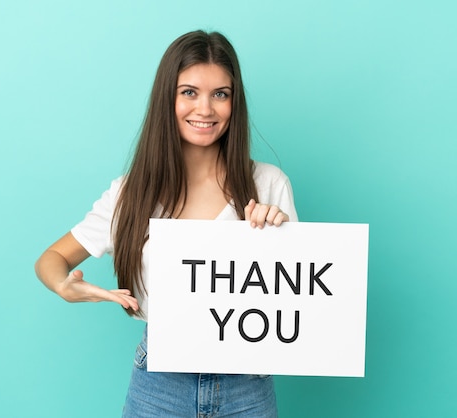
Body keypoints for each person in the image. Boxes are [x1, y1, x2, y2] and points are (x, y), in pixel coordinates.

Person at [34, 29, 298, 417]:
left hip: (248, 386)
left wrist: (279, 234)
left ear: (234, 102)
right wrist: (63, 285)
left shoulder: (269, 183)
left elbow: (295, 297)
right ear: (167, 98)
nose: (205, 109)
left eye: (220, 94)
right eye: (189, 92)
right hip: (160, 384)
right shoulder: (131, 193)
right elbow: (52, 258)